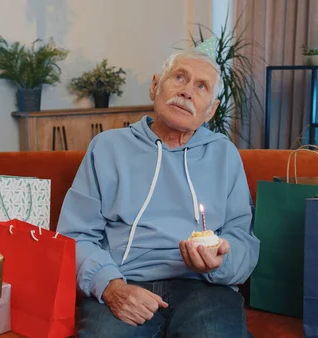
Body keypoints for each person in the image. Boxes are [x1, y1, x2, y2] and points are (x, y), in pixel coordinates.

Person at [57, 38, 260, 337]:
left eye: (201, 86)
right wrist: (112, 286)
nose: (186, 91)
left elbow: (242, 238)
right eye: (179, 77)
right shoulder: (108, 148)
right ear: (155, 86)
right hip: (125, 282)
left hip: (204, 288)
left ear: (212, 110)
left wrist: (220, 261)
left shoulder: (224, 154)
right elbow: (75, 236)